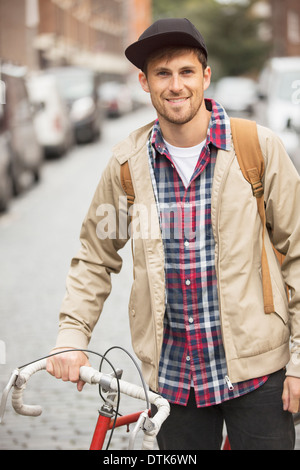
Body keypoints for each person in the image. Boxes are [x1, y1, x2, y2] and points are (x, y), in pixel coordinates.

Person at [46, 18, 300, 450]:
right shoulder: (126, 165)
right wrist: (72, 337)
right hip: (174, 383)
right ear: (144, 82)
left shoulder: (257, 148)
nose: (175, 85)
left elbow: (296, 251)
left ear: (205, 76)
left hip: (258, 375)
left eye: (185, 72)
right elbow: (95, 256)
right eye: (162, 73)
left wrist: (298, 360)